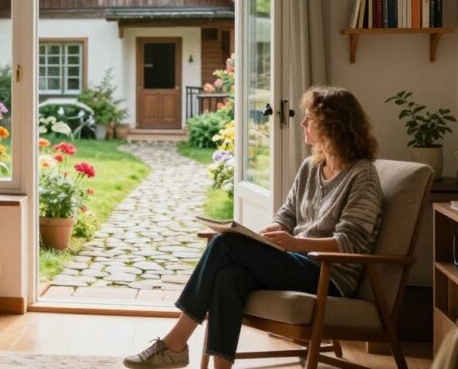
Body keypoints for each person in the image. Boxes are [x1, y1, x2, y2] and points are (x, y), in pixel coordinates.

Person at [124, 85, 383, 369]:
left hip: (329, 275)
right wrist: (268, 236)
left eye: (310, 118)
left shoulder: (362, 175)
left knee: (223, 244)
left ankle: (175, 343)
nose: (303, 123)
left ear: (333, 125)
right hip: (298, 262)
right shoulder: (311, 166)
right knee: (228, 277)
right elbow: (287, 214)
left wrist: (296, 244)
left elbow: (351, 241)